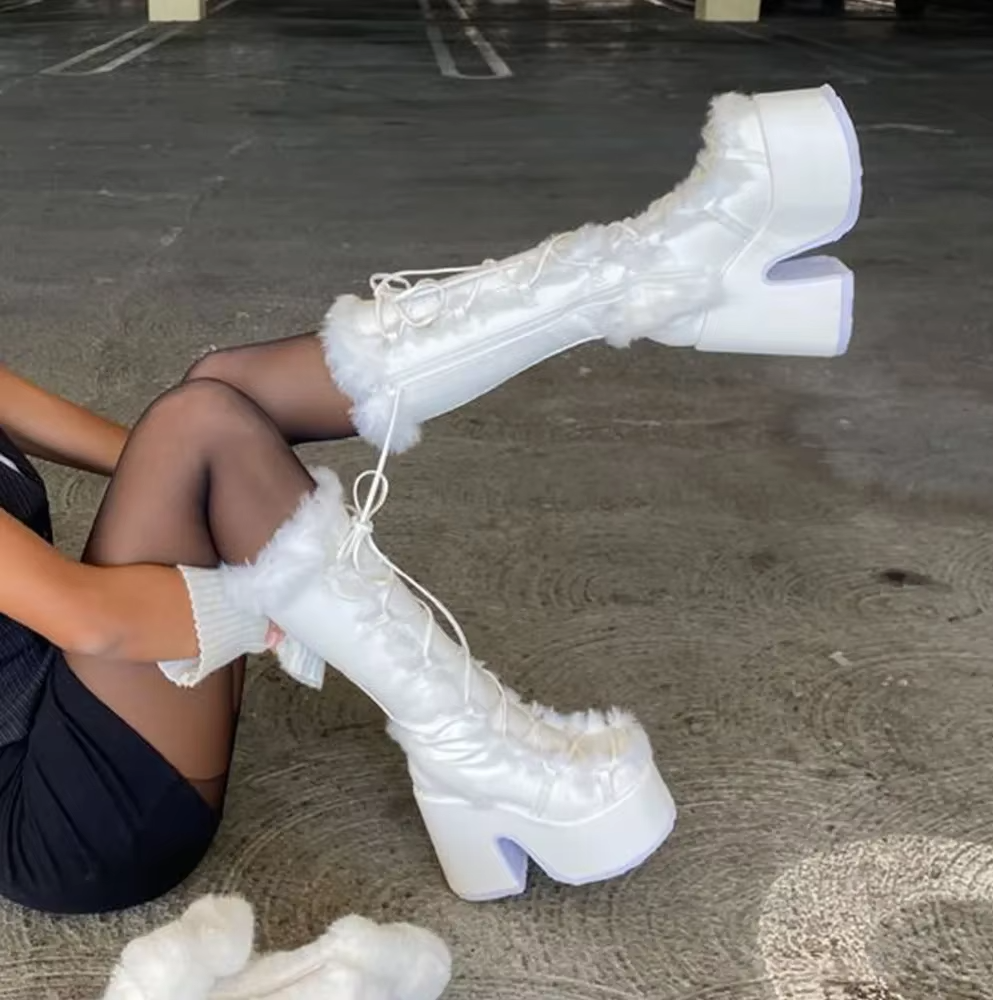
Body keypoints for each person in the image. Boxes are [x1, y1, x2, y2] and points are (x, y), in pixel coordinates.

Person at [0, 84, 861, 920]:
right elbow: (91, 620)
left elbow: (137, 447)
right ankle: (478, 758)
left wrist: (233, 475)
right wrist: (280, 600)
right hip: (64, 818)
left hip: (82, 693)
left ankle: (650, 269)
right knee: (203, 422)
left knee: (216, 398)